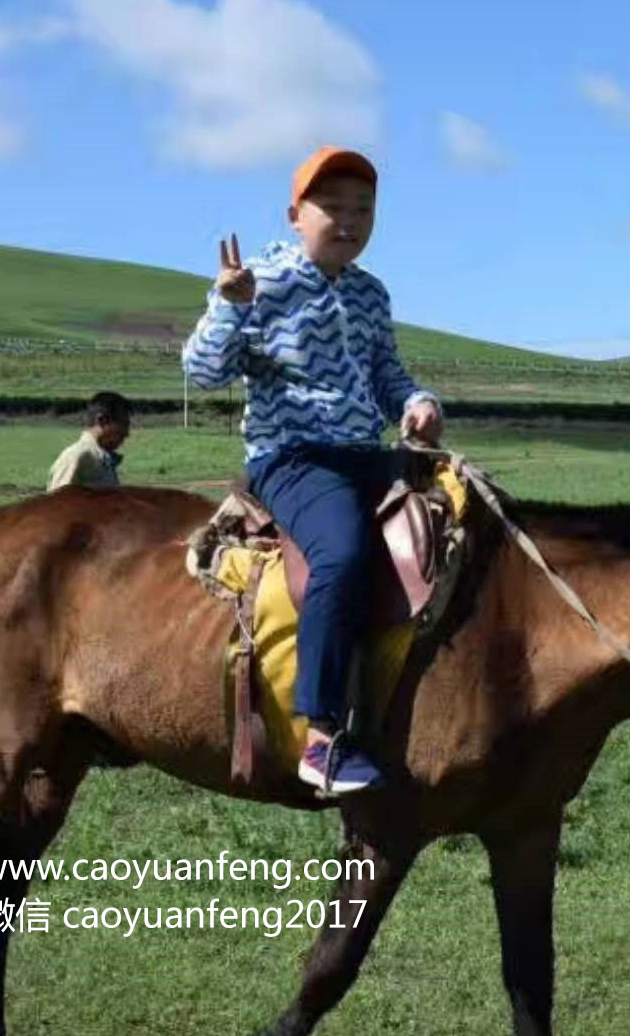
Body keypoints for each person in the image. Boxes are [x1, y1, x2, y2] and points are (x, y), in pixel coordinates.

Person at [181, 146, 443, 796]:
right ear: (295, 214)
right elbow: (202, 372)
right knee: (342, 555)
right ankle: (322, 736)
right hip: (293, 456)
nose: (350, 220)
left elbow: (387, 375)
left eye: (364, 209)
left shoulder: (369, 293)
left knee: (466, 518)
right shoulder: (261, 282)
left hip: (365, 453)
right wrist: (229, 306)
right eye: (333, 207)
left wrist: (416, 404)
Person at [48, 391, 130, 491]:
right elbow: (58, 503)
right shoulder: (76, 456)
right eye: (123, 425)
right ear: (102, 420)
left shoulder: (103, 459)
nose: (126, 434)